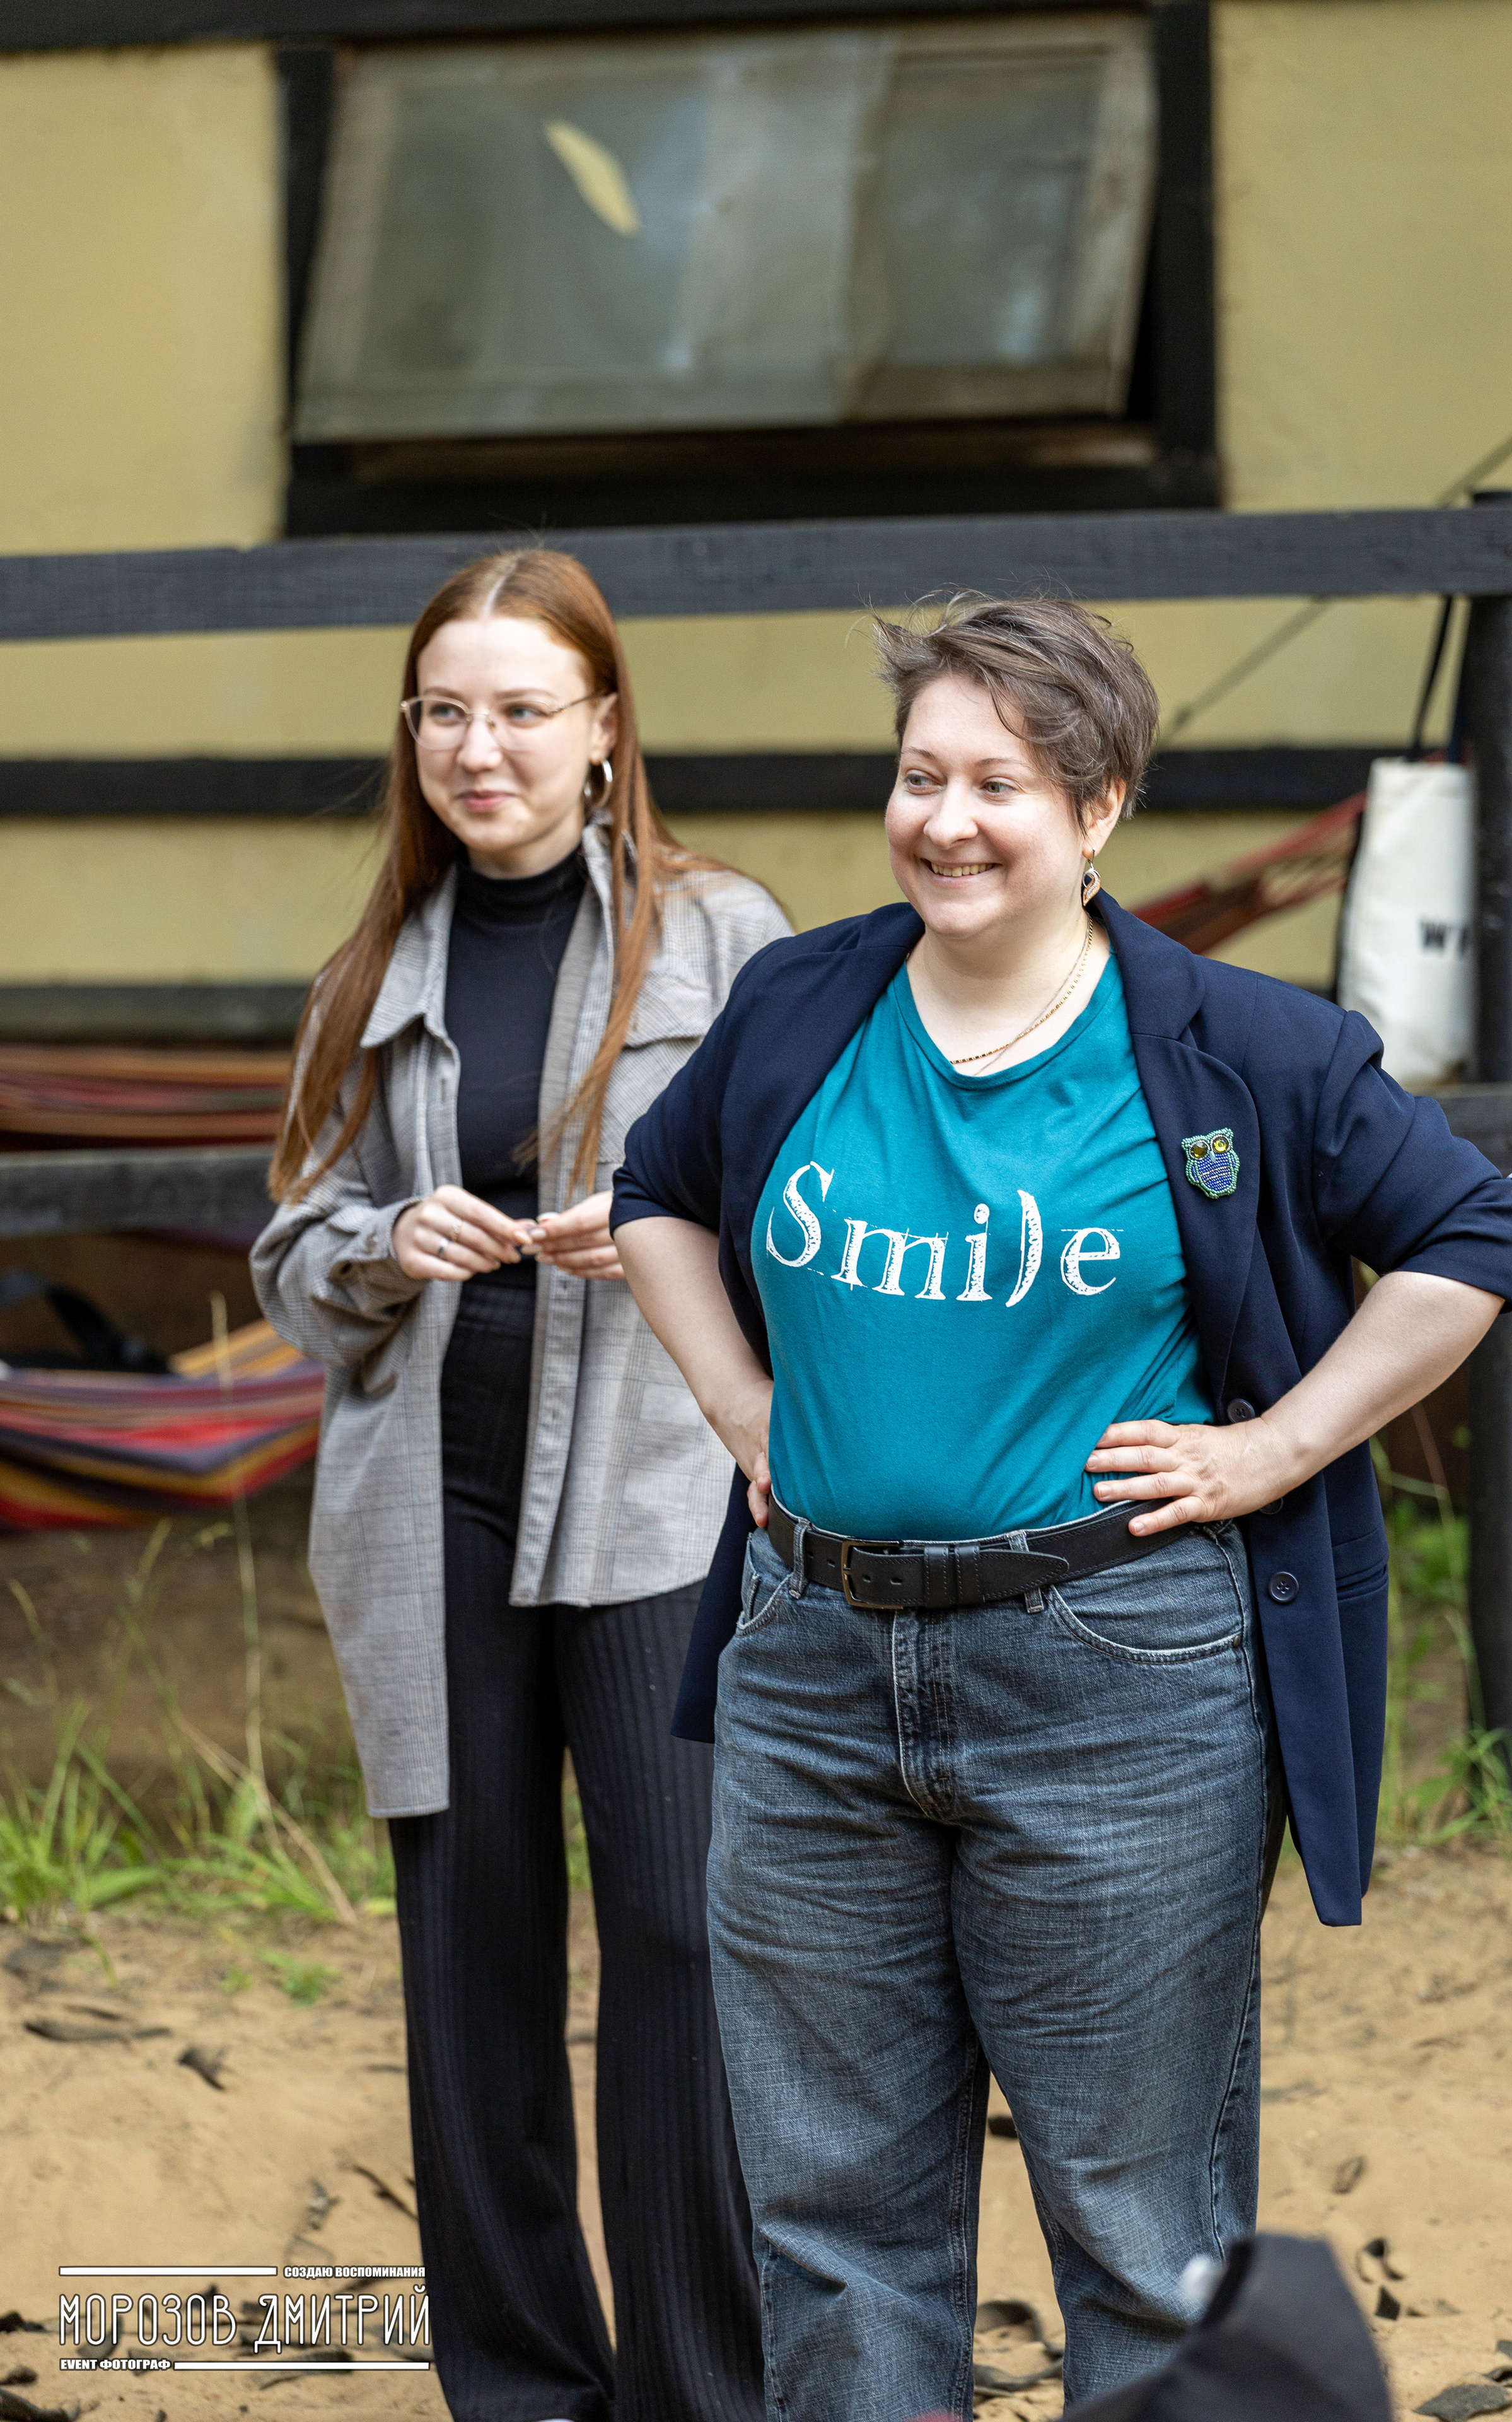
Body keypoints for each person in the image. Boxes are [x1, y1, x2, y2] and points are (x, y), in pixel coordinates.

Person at [610, 596, 1512, 2421]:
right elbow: (657, 1193)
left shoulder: (1238, 1049)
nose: (946, 820)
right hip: (809, 1677)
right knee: (831, 2227)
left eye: (1001, 784)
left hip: (1120, 1685)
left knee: (1141, 2224)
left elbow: (1474, 1234)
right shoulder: (806, 1000)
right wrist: (739, 1406)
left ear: (1100, 808)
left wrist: (1274, 1449)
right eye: (919, 775)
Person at [253, 547, 787, 2422]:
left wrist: (666, 1224)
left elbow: (815, 1202)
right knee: (469, 1944)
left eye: (523, 712)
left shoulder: (725, 939)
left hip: (655, 1494)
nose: (482, 750)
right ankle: (522, 2388)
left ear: (605, 729)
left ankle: (706, 2388)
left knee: (677, 1927)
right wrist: (394, 1237)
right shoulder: (365, 976)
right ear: (411, 736)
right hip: (431, 1508)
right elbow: (292, 1262)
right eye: (447, 714)